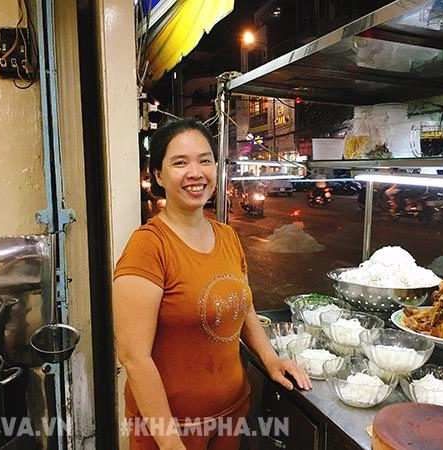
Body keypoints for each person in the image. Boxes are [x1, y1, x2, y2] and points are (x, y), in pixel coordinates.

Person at [113, 118, 311, 450]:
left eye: (204, 160)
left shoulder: (227, 236)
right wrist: (170, 442)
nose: (195, 172)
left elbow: (245, 307)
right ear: (159, 176)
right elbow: (134, 357)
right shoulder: (149, 246)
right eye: (180, 162)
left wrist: (271, 358)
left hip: (231, 413)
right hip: (171, 430)